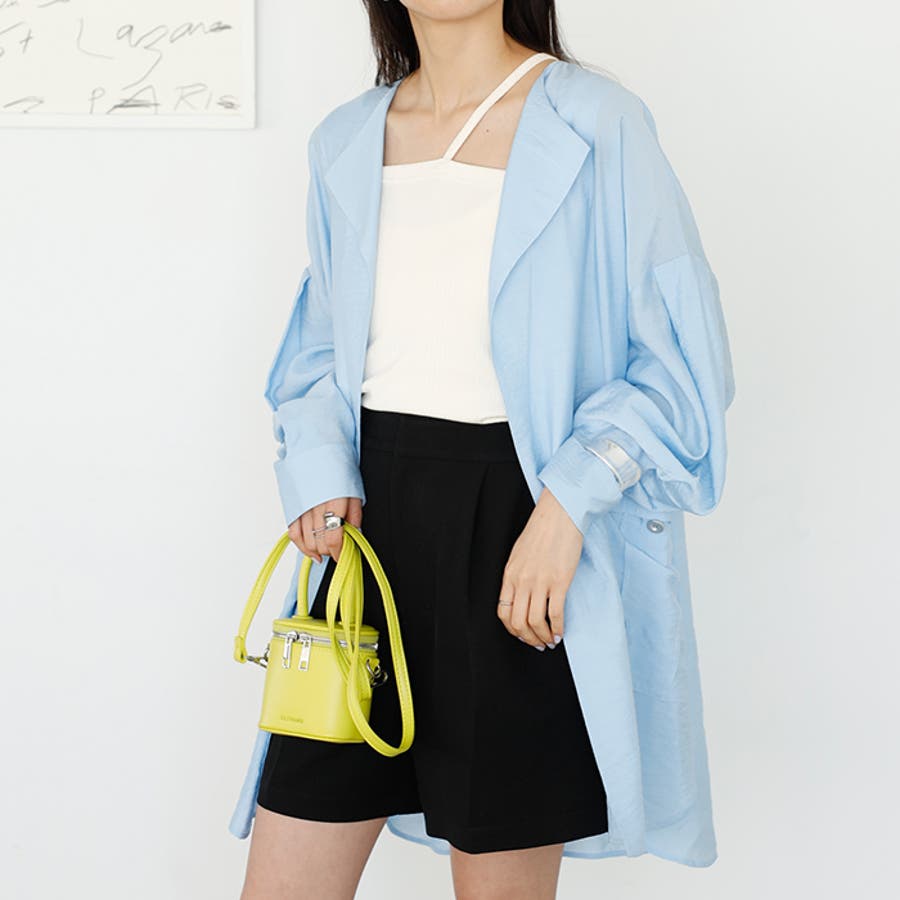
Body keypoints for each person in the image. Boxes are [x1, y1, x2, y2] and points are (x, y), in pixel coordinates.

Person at [235, 3, 735, 898]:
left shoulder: (596, 121)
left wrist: (566, 506)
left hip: (517, 532)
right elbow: (317, 345)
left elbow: (679, 361)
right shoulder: (347, 137)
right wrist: (315, 469)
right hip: (365, 544)